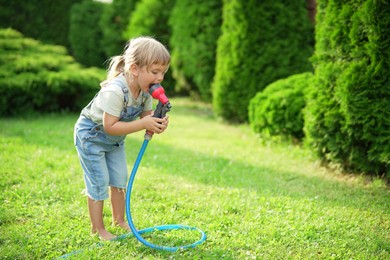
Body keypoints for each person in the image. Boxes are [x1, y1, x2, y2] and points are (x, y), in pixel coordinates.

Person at [74, 36, 170, 240]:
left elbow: (146, 118)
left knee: (119, 180)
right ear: (134, 69)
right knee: (100, 181)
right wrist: (144, 124)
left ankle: (119, 220)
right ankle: (98, 229)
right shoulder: (115, 91)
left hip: (115, 140)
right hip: (91, 137)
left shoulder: (145, 92)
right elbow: (110, 126)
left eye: (163, 72)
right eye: (155, 72)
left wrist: (157, 122)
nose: (160, 77)